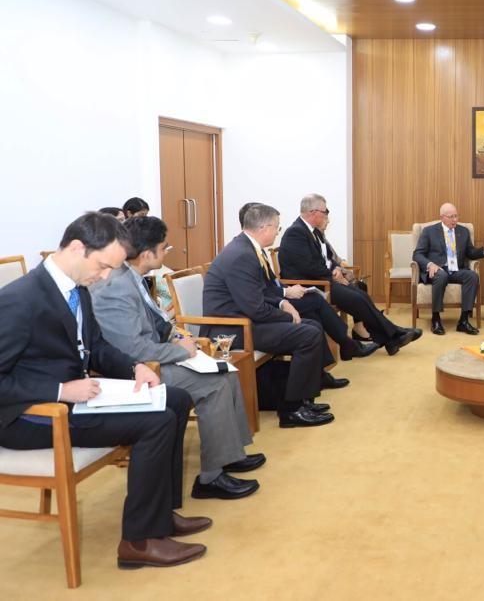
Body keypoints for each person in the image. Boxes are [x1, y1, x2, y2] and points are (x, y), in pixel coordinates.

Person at [0, 213, 208, 568]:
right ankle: (139, 542)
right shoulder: (20, 298)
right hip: (29, 414)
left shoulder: (77, 288)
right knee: (154, 421)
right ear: (78, 248)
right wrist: (61, 390)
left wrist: (134, 367)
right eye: (103, 266)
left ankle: (161, 515)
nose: (106, 276)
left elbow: (95, 348)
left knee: (175, 399)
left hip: (77, 400)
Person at [90, 216, 261, 500]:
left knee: (226, 371)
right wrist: (181, 351)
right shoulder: (115, 288)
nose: (167, 250)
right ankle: (210, 478)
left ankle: (229, 454)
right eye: (164, 247)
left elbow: (154, 322)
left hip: (156, 356)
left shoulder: (131, 277)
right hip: (138, 371)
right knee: (214, 384)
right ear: (147, 253)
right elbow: (133, 350)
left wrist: (176, 335)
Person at [202, 204, 341, 429]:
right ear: (265, 228)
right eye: (277, 227)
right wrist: (288, 316)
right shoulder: (242, 255)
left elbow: (263, 293)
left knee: (311, 326)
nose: (278, 232)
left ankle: (302, 400)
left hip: (245, 321)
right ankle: (291, 410)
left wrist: (284, 302)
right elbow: (255, 308)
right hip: (232, 330)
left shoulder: (247, 249)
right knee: (307, 334)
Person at [278, 194, 421, 355]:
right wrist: (333, 274)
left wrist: (336, 269)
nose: (326, 215)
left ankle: (391, 337)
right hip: (310, 285)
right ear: (313, 212)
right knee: (357, 298)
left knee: (360, 295)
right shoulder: (295, 233)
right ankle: (393, 335)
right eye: (325, 211)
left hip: (321, 280)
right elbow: (308, 266)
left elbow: (327, 259)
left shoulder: (313, 232)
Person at [412, 202, 484, 335]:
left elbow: (470, 252)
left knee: (472, 276)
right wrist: (430, 264)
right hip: (438, 270)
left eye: (456, 216)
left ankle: (464, 321)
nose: (455, 220)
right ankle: (436, 318)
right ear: (442, 217)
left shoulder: (463, 231)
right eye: (451, 217)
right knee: (441, 275)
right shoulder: (429, 231)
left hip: (456, 270)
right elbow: (417, 254)